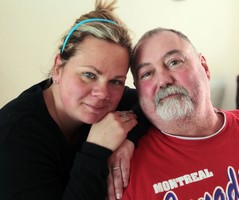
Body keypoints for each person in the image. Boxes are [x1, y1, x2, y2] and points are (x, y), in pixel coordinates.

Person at [0, 0, 148, 199]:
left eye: (115, 81)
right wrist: (96, 151)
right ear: (58, 68)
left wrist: (130, 139)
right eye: (89, 75)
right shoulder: (14, 137)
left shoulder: (110, 102)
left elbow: (150, 102)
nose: (103, 93)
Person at [120, 28, 239, 199]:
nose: (163, 81)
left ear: (205, 67)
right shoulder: (125, 172)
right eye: (147, 74)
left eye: (174, 62)